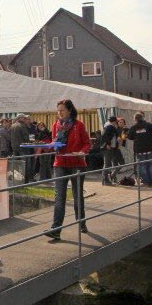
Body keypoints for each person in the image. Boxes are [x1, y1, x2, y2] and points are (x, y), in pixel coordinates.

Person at [44, 99, 91, 243]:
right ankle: (56, 230)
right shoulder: (55, 125)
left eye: (62, 110)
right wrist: (52, 145)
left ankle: (81, 222)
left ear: (70, 110)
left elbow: (87, 143)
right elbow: (54, 142)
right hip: (60, 163)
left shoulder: (78, 125)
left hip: (77, 164)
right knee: (59, 198)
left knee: (78, 196)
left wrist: (82, 152)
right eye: (58, 110)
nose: (59, 113)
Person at [127, 111, 152, 186]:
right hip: (150, 149)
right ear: (142, 117)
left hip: (139, 150)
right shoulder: (149, 125)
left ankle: (146, 182)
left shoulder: (133, 127)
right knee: (151, 165)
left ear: (135, 119)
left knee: (142, 166)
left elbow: (129, 137)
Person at [10, 114, 31, 183]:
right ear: (20, 118)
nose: (25, 119)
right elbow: (26, 137)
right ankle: (25, 181)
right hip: (23, 148)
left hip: (14, 148)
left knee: (16, 164)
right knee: (25, 164)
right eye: (24, 118)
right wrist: (30, 140)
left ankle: (17, 181)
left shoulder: (12, 126)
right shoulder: (22, 126)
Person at [100, 116, 120, 185]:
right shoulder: (110, 127)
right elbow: (106, 136)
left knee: (107, 164)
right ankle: (106, 180)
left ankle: (105, 179)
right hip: (107, 148)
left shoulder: (108, 127)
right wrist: (107, 144)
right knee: (107, 164)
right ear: (114, 121)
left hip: (107, 147)